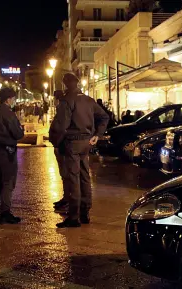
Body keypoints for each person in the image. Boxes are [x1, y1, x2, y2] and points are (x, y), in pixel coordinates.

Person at [49, 73, 109, 228]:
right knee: (84, 177)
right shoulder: (88, 100)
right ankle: (85, 213)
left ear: (65, 84)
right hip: (86, 142)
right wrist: (97, 135)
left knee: (73, 178)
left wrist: (55, 141)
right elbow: (104, 116)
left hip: (72, 142)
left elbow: (61, 126)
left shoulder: (67, 101)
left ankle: (74, 216)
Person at [0, 88, 24, 224]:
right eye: (13, 99)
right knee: (8, 182)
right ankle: (5, 212)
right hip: (7, 152)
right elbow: (18, 134)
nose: (14, 101)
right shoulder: (8, 114)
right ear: (9, 99)